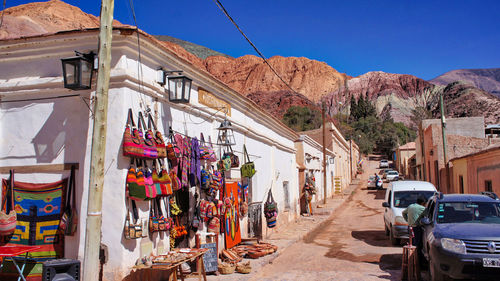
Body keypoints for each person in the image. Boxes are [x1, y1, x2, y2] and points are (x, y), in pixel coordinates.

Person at [402, 196, 427, 266]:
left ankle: (411, 261)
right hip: (416, 228)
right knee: (417, 245)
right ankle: (417, 262)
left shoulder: (410, 206)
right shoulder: (422, 208)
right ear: (423, 203)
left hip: (410, 227)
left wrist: (407, 220)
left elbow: (403, 213)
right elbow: (428, 216)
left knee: (411, 243)